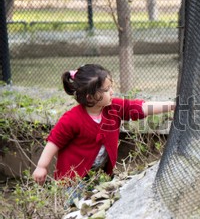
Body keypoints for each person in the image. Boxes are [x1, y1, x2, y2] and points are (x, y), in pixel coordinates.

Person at [32, 64, 175, 185]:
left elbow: (139, 107)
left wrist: (171, 106)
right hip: (73, 180)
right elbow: (54, 142)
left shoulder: (114, 108)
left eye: (111, 87)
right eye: (106, 90)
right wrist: (41, 166)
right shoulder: (72, 119)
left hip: (100, 176)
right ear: (90, 97)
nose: (112, 92)